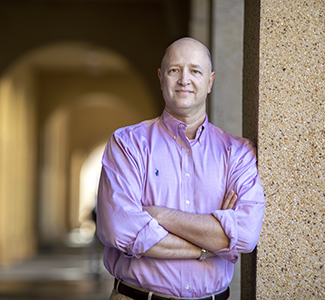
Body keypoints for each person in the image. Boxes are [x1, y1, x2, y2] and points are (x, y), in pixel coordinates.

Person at [96, 37, 265, 300]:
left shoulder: (238, 153)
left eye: (195, 71)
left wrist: (160, 215)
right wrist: (210, 245)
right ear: (161, 78)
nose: (184, 79)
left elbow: (244, 235)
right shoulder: (127, 144)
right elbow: (120, 230)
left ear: (209, 82)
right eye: (175, 70)